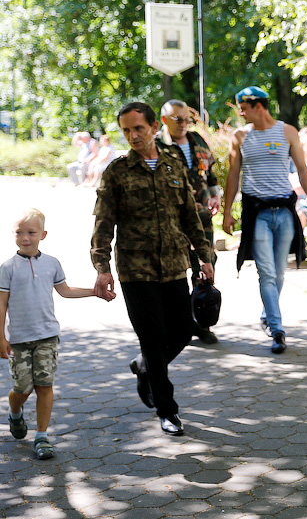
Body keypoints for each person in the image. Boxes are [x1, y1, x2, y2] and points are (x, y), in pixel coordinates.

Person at [91, 101, 215, 437]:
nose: (132, 136)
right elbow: (103, 223)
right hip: (135, 268)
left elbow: (190, 215)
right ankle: (168, 410)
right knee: (152, 337)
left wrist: (204, 256)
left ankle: (145, 367)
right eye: (126, 130)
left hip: (174, 263)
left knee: (184, 331)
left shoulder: (174, 162)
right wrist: (102, 267)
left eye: (138, 129)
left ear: (154, 128)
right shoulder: (117, 171)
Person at [1, 208, 112, 459]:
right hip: (18, 340)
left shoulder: (52, 263)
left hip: (47, 336)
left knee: (44, 385)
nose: (25, 237)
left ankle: (41, 437)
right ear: (14, 235)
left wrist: (95, 292)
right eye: (20, 232)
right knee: (22, 388)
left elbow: (65, 290)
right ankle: (15, 412)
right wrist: (1, 338)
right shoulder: (7, 268)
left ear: (43, 234)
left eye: (31, 232)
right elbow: (1, 304)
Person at [222, 86, 307, 354]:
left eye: (243, 108)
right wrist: (228, 211)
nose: (240, 113)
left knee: (278, 272)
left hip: (285, 212)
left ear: (258, 106)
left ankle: (267, 312)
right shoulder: (239, 137)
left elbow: (301, 169)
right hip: (258, 214)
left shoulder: (287, 131)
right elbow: (233, 175)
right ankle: (277, 329)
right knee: (266, 272)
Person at [157, 99, 221, 345]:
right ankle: (180, 324)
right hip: (173, 221)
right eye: (178, 119)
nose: (184, 124)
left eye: (187, 119)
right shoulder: (158, 146)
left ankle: (202, 323)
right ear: (164, 120)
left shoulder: (197, 141)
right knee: (174, 272)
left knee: (205, 267)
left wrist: (214, 194)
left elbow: (210, 171)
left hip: (202, 219)